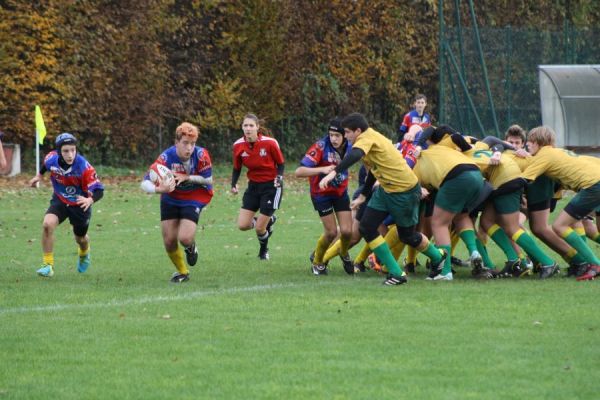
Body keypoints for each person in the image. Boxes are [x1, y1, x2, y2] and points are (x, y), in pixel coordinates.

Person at [320, 113, 445, 286]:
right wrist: (363, 195)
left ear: (358, 131)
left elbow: (355, 155)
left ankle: (438, 258)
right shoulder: (368, 138)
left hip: (404, 192)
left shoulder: (366, 138)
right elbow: (373, 168)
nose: (346, 136)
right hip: (386, 190)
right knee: (366, 227)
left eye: (348, 132)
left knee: (407, 235)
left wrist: (334, 172)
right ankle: (396, 273)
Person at [521, 126, 600, 280]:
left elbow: (524, 179)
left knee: (559, 226)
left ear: (538, 142)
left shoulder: (544, 154)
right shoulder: (559, 152)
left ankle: (595, 263)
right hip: (596, 182)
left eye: (530, 141)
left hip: (593, 186)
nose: (527, 145)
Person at [141, 122, 213, 283]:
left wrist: (187, 177)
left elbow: (209, 179)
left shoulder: (201, 155)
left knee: (185, 238)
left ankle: (191, 247)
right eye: (185, 143)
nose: (189, 148)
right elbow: (144, 183)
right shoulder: (166, 157)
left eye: (192, 144)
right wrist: (160, 189)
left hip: (195, 196)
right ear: (176, 143)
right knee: (169, 240)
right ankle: (182, 272)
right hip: (171, 196)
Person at [29, 133, 104, 277]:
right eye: (66, 151)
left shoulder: (84, 167)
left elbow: (99, 190)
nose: (70, 155)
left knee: (80, 238)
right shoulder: (52, 159)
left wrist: (89, 200)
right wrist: (38, 176)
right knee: (47, 225)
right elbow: (46, 165)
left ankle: (84, 252)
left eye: (73, 150)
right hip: (60, 200)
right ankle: (48, 265)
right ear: (58, 152)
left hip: (80, 205)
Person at [295, 118, 353, 275]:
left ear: (345, 135)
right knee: (332, 233)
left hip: (340, 193)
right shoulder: (321, 146)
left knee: (348, 232)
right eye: (331, 135)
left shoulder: (352, 145)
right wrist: (322, 169)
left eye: (337, 135)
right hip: (321, 195)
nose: (333, 139)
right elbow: (299, 171)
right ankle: (317, 263)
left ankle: (343, 252)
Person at [231, 113, 284, 260]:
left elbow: (281, 163)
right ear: (242, 127)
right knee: (242, 225)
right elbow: (237, 168)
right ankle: (270, 220)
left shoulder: (270, 143)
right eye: (245, 125)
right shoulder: (238, 145)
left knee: (260, 228)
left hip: (271, 186)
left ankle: (263, 250)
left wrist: (279, 177)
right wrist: (233, 184)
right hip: (253, 187)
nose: (248, 129)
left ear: (257, 127)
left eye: (251, 125)